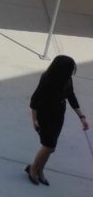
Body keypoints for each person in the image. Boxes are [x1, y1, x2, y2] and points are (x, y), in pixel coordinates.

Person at [27, 55, 87, 185]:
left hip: (58, 115)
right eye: (70, 70)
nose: (71, 73)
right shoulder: (47, 80)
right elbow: (34, 101)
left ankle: (40, 170)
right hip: (45, 116)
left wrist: (82, 117)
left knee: (51, 147)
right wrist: (34, 120)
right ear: (61, 69)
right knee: (48, 146)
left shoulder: (67, 80)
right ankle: (32, 168)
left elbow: (71, 97)